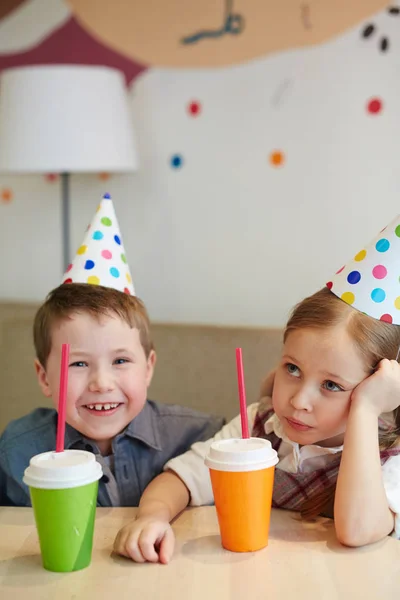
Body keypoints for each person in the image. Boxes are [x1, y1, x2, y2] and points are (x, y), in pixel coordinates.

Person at [114, 216, 400, 562]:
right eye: (292, 368)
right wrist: (152, 517)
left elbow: (357, 531)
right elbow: (183, 477)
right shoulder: (260, 426)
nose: (298, 400)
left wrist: (367, 411)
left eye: (331, 385)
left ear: (378, 388)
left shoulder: (389, 455)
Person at [0, 194, 224, 507]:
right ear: (44, 377)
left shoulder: (197, 436)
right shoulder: (17, 450)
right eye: (78, 364)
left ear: (148, 367)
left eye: (120, 360)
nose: (102, 383)